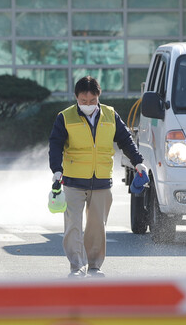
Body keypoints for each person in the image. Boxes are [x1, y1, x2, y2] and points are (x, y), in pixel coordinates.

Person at [49, 76, 147, 278]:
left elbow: (125, 140)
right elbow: (55, 145)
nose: (88, 105)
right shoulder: (65, 117)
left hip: (101, 181)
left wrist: (138, 162)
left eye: (92, 101)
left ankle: (94, 266)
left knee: (96, 228)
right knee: (73, 226)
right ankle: (77, 267)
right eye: (83, 101)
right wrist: (56, 170)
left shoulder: (110, 115)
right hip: (73, 181)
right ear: (76, 97)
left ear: (98, 97)